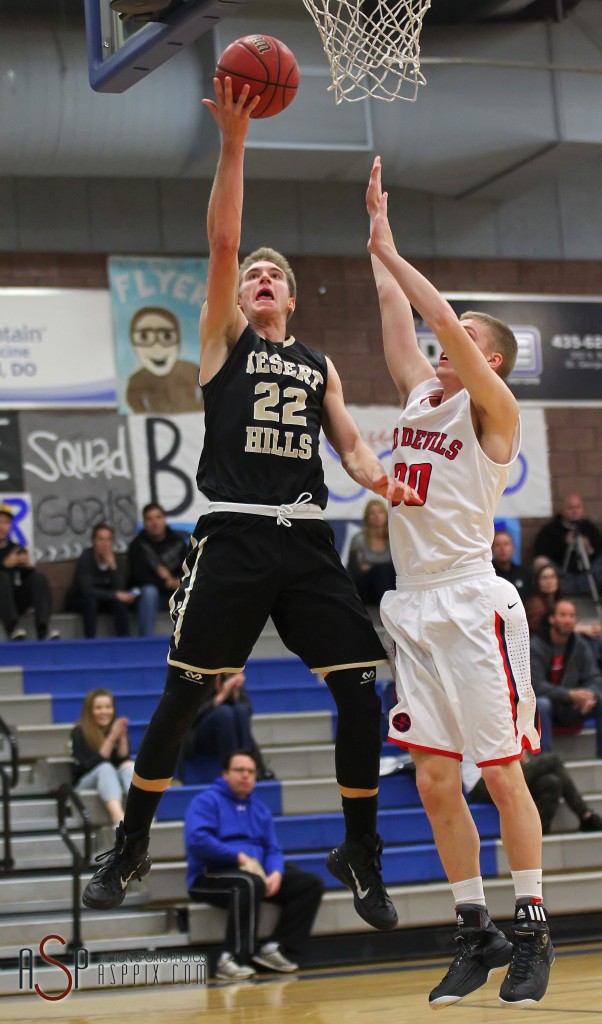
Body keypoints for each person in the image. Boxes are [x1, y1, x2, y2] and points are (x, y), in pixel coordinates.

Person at [81, 81, 421, 929]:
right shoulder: (220, 342)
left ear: (295, 299)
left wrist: (379, 477)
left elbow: (348, 444)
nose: (261, 277)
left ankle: (360, 851)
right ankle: (130, 846)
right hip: (232, 536)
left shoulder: (317, 366)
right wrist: (234, 142)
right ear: (239, 296)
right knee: (186, 695)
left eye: (277, 275)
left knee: (358, 692)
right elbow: (224, 236)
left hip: (306, 542)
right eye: (253, 274)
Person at [366, 155, 553, 1007]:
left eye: (466, 338)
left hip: (474, 600)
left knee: (503, 772)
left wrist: (398, 248)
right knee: (437, 780)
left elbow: (428, 309)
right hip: (412, 604)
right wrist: (375, 245)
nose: (446, 342)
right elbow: (398, 320)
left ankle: (533, 929)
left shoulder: (494, 411)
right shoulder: (416, 396)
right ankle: (474, 930)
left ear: (494, 362)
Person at [185, 748, 324, 980]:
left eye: (251, 771)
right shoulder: (206, 801)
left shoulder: (260, 809)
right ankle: (231, 958)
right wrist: (237, 856)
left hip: (255, 875)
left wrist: (276, 873)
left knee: (309, 884)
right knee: (248, 884)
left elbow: (273, 849)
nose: (246, 776)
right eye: (239, 770)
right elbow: (198, 840)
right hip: (209, 875)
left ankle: (276, 948)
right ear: (225, 774)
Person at [462, 749, 602, 836]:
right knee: (553, 760)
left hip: (501, 776)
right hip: (479, 784)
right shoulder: (482, 715)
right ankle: (585, 814)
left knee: (551, 783)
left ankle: (537, 832)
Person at [530, 598, 602, 758]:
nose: (568, 620)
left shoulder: (580, 645)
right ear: (552, 619)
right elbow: (536, 686)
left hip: (573, 707)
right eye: (563, 615)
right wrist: (569, 694)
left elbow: (594, 677)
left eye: (571, 616)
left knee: (600, 699)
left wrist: (589, 695)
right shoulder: (535, 646)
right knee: (542, 704)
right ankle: (544, 762)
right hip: (547, 709)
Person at [179, 671, 273, 780]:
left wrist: (235, 693)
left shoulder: (229, 671)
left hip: (229, 728)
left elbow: (247, 710)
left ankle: (247, 765)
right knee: (224, 713)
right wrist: (219, 699)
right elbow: (189, 717)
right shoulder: (195, 675)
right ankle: (231, 769)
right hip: (198, 735)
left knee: (240, 710)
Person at [71, 688, 134, 826]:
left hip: (110, 782)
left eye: (108, 707)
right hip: (85, 784)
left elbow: (122, 760)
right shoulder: (79, 732)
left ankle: (139, 816)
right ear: (90, 711)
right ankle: (118, 819)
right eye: (98, 708)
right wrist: (111, 739)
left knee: (129, 766)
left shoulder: (115, 729)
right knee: (105, 768)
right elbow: (84, 768)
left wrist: (122, 736)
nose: (104, 712)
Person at [126, 306, 205, 414]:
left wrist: (195, 413)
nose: (157, 348)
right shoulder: (137, 380)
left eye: (167, 336)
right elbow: (133, 405)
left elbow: (211, 395)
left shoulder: (194, 371)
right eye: (144, 337)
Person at [0, 503, 59, 641]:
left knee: (39, 578)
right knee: (1, 577)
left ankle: (43, 629)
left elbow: (26, 579)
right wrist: (4, 565)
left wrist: (28, 567)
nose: (2, 527)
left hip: (13, 601)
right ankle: (12, 629)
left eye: (6, 523)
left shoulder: (15, 548)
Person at [127, 503, 188, 636]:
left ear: (164, 519)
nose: (154, 522)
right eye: (149, 519)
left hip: (174, 594)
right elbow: (139, 576)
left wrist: (175, 581)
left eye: (158, 517)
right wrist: (166, 583)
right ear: (144, 523)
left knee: (192, 590)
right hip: (147, 598)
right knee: (150, 591)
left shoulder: (178, 543)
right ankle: (146, 641)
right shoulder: (137, 546)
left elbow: (189, 571)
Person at [66, 523, 135, 638]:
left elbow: (121, 589)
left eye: (108, 540)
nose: (105, 544)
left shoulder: (117, 559)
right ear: (93, 542)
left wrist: (113, 568)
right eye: (100, 539)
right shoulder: (86, 557)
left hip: (106, 600)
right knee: (91, 602)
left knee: (120, 604)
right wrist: (115, 595)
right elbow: (87, 590)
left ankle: (124, 642)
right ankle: (90, 643)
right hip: (81, 599)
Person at [532, 493, 602, 596]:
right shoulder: (551, 529)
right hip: (562, 577)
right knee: (540, 562)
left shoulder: (589, 528)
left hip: (588, 576)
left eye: (577, 507)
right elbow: (540, 553)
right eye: (570, 508)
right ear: (562, 510)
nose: (574, 511)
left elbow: (599, 551)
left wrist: (589, 549)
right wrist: (564, 544)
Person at [346, 498, 396, 607]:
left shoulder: (393, 538)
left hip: (390, 583)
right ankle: (387, 610)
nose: (377, 516)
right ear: (366, 517)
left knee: (386, 571)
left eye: (380, 512)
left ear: (387, 515)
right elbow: (354, 570)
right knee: (382, 570)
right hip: (366, 586)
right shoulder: (359, 539)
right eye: (372, 513)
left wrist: (371, 566)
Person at [491, 529, 531, 603]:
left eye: (506, 544)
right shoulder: (489, 576)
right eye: (498, 545)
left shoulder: (523, 574)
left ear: (513, 548)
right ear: (492, 550)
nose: (502, 549)